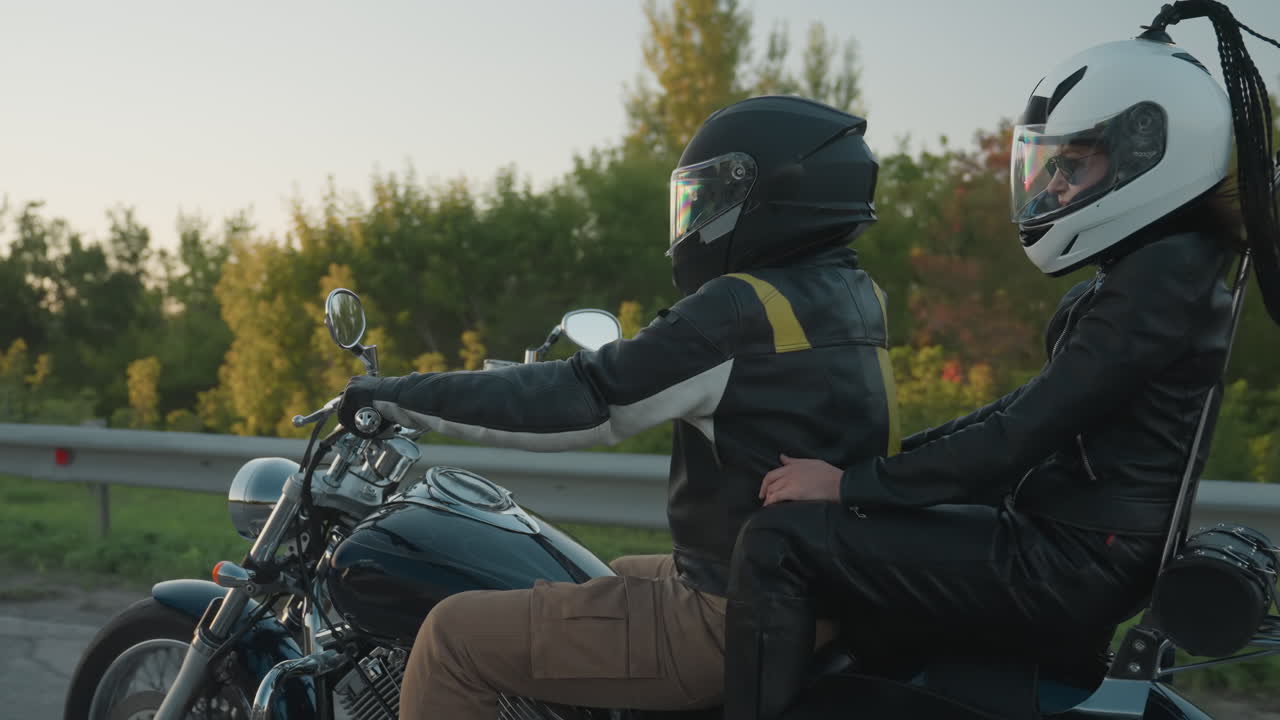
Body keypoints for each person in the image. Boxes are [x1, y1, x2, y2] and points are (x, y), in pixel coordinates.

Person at [720, 12, 1280, 719]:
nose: (1058, 187)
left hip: (1066, 562)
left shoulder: (1159, 281)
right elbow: (1030, 406)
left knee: (778, 543)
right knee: (861, 552)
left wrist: (854, 482)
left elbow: (1022, 433)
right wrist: (877, 465)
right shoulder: (1161, 269)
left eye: (1076, 165)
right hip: (1080, 547)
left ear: (1149, 151)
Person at [338, 95, 896, 718]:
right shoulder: (852, 295)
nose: (697, 219)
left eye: (710, 197)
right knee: (612, 572)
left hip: (732, 612)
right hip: (811, 588)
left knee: (450, 638)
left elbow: (585, 400)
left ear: (765, 195)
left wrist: (399, 396)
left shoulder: (739, 309)